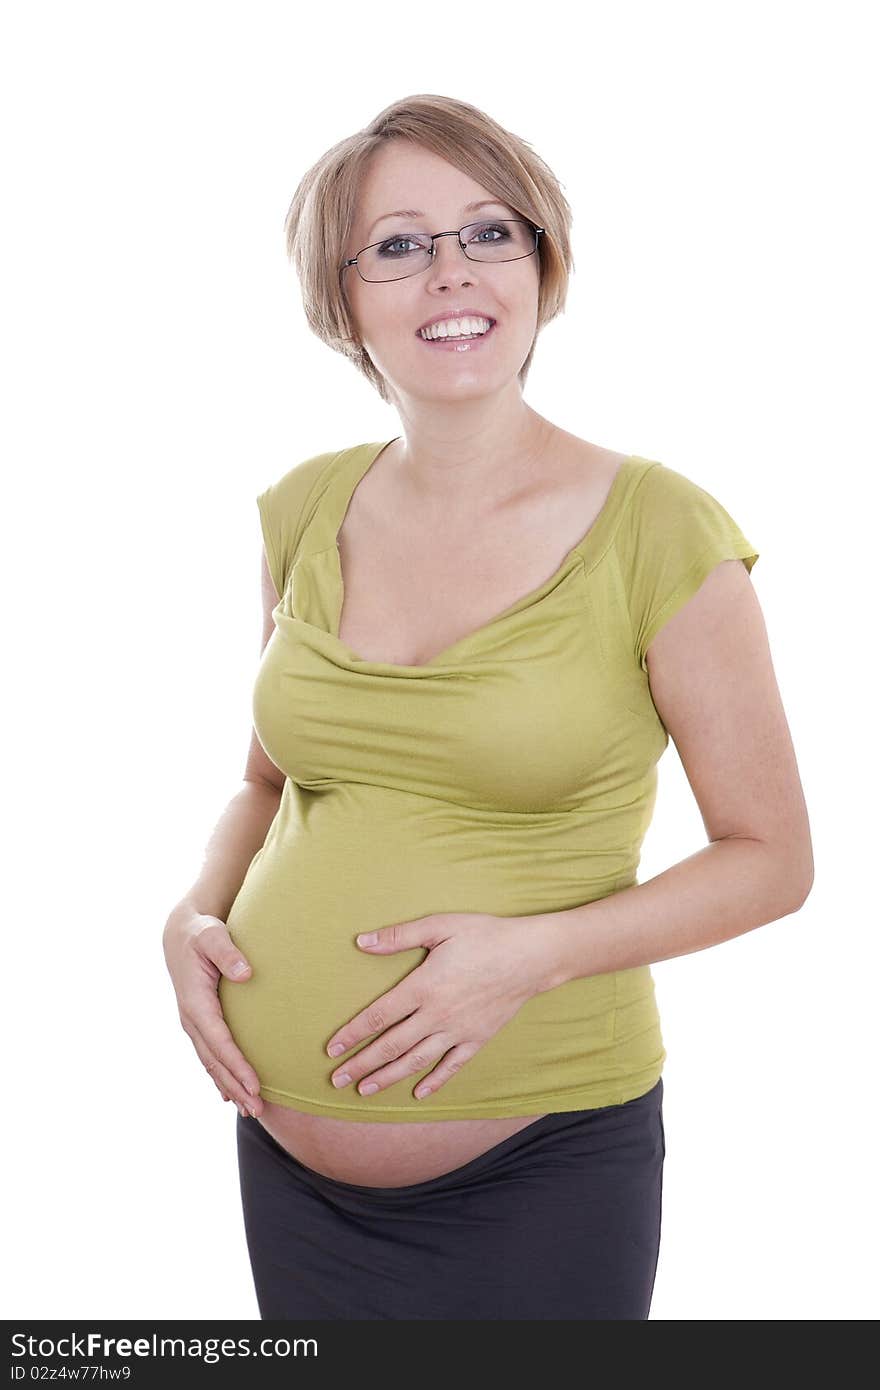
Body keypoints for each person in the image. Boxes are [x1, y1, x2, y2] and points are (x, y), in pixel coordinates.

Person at [162, 94, 813, 1321]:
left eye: (488, 232)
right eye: (398, 244)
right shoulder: (304, 506)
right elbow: (268, 783)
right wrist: (192, 917)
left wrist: (527, 958)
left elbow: (772, 860)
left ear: (540, 262)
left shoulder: (659, 530)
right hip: (287, 1171)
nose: (449, 271)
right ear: (342, 295)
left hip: (542, 1164)